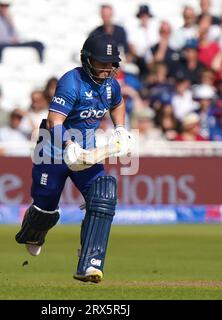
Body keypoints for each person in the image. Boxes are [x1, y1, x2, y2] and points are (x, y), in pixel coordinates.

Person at [14, 34, 133, 283]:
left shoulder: (112, 85)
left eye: (112, 64)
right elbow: (53, 121)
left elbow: (118, 104)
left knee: (103, 195)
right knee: (45, 209)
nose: (108, 69)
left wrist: (121, 128)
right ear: (87, 60)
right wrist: (68, 144)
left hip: (87, 153)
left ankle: (90, 262)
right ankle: (33, 232)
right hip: (54, 152)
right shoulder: (71, 81)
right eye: (102, 63)